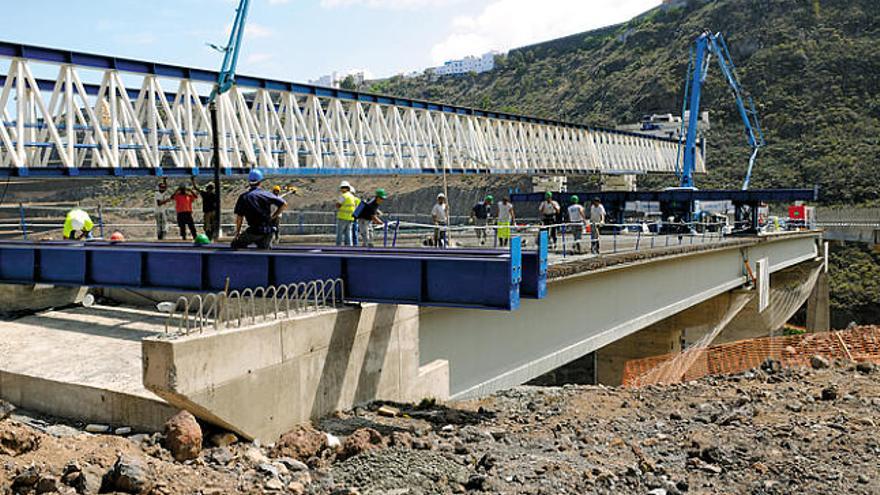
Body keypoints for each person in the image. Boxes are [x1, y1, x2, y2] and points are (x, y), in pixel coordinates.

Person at [231, 170, 287, 249]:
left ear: (249, 182)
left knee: (235, 245)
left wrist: (237, 233)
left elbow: (239, 218)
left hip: (253, 231)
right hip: (267, 231)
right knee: (264, 252)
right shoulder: (266, 194)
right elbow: (284, 204)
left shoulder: (244, 197)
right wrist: (273, 217)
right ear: (260, 182)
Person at [335, 180, 358, 246]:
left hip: (342, 217)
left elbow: (338, 205)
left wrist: (338, 205)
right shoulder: (352, 197)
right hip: (350, 218)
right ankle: (349, 247)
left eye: (342, 188)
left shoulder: (343, 196)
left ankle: (338, 247)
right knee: (348, 234)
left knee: (340, 233)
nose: (342, 189)